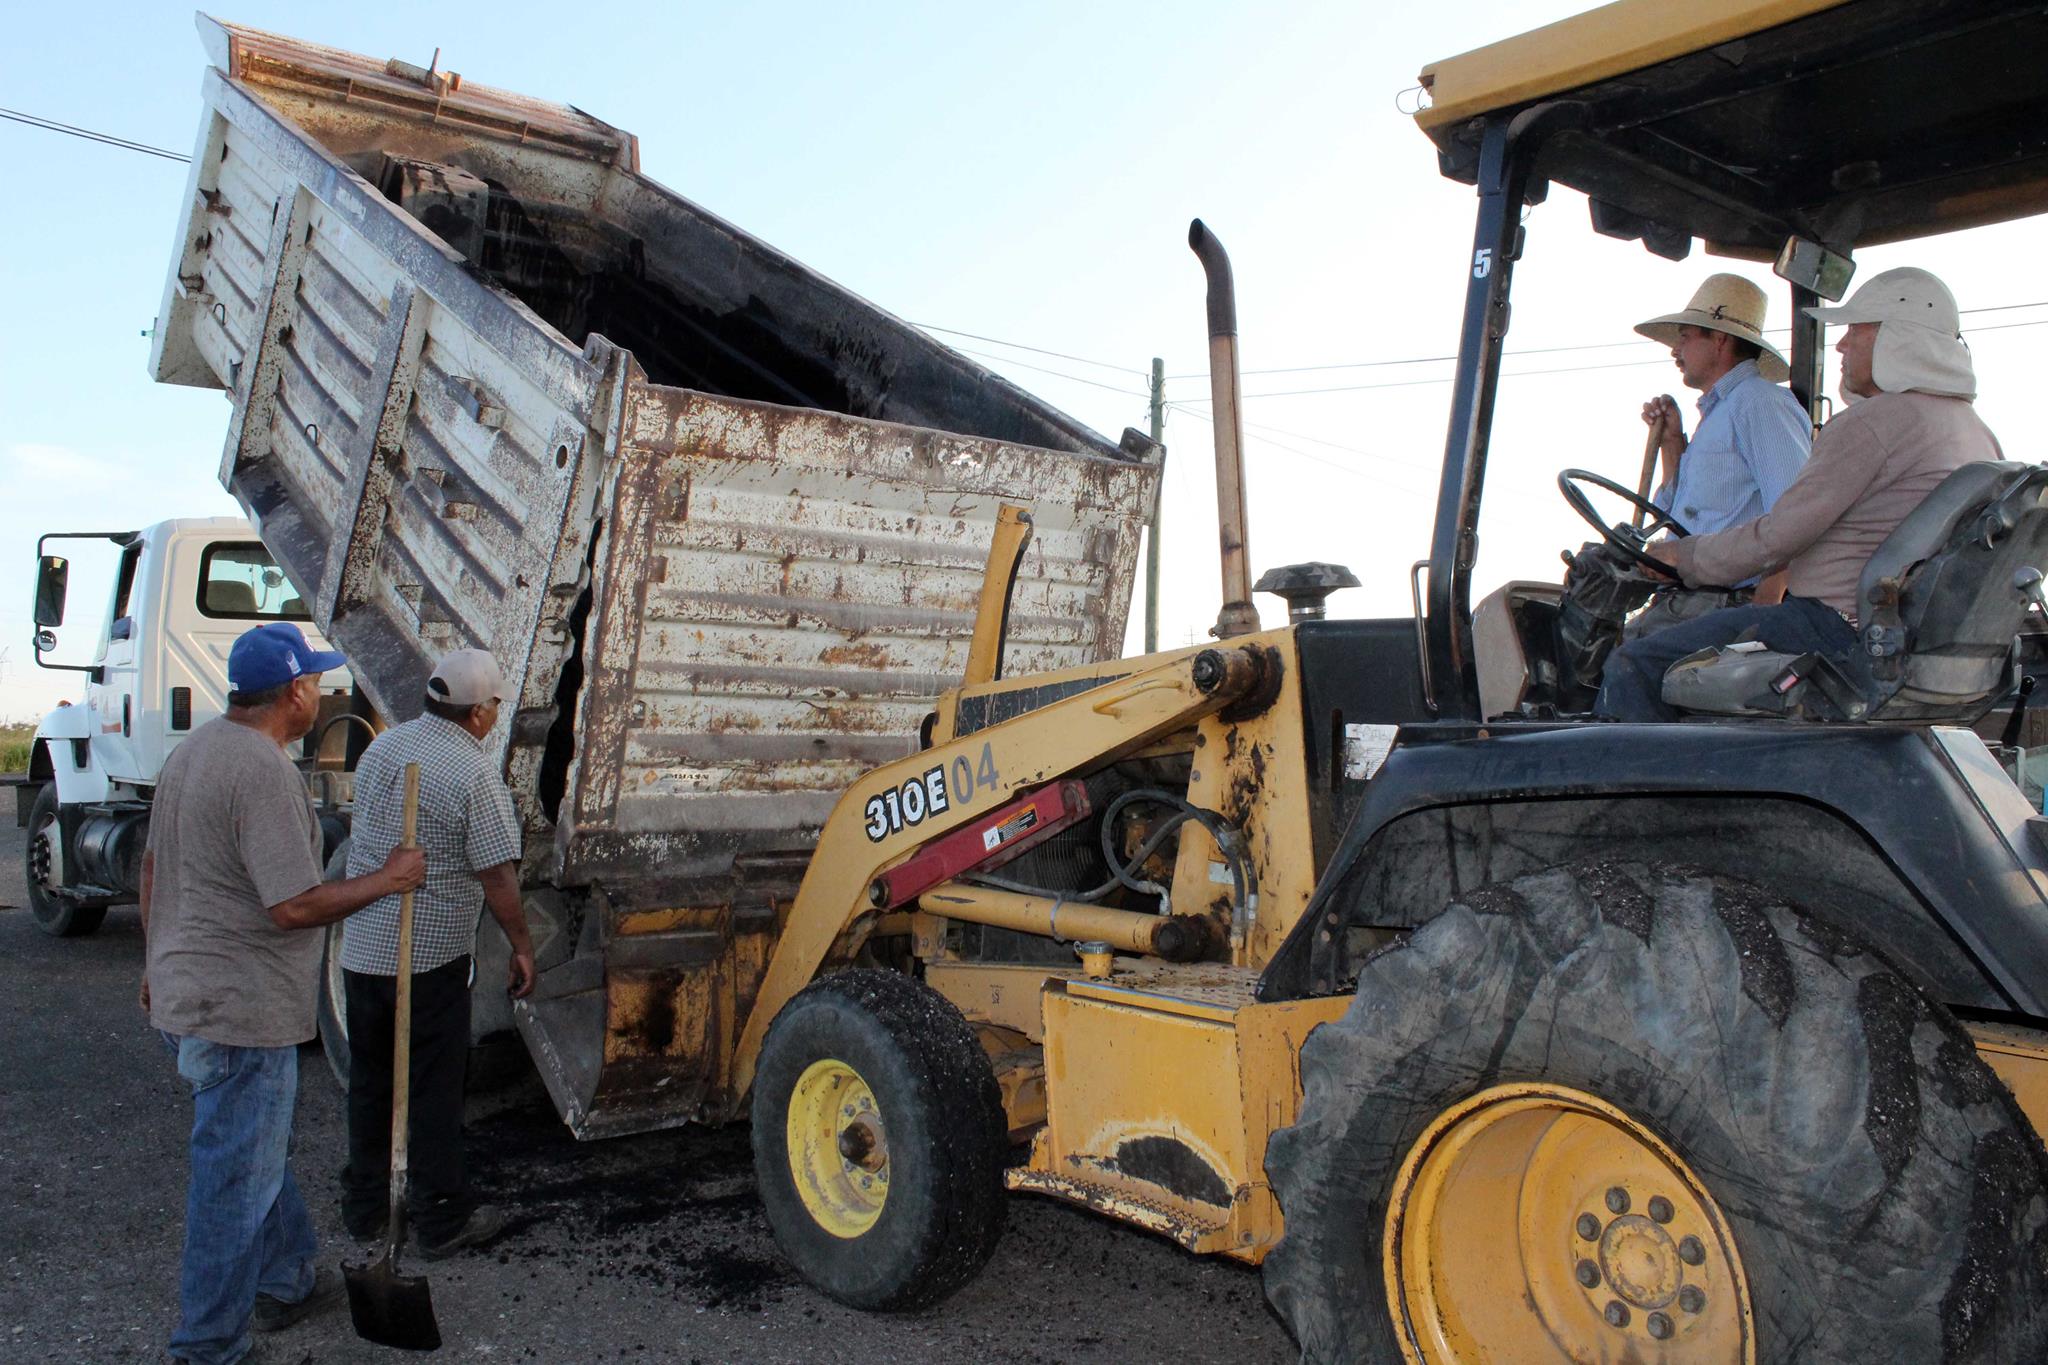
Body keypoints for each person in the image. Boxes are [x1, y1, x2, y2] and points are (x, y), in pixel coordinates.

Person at [141, 622, 426, 1365]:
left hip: (186, 994)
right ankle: (208, 1346)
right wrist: (388, 880)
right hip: (241, 1009)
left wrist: (153, 959)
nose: (324, 693)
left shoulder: (192, 752)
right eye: (319, 682)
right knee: (232, 1181)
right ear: (296, 692)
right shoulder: (262, 771)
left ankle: (290, 1273)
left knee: (251, 1149)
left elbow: (150, 870)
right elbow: (293, 905)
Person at [1597, 267, 2003, 721]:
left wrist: (1682, 558)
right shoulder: (1977, 433)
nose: (1843, 345)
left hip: (1835, 628)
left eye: (1855, 330)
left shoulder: (1873, 421)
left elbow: (1779, 535)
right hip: (1901, 636)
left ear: (1898, 338)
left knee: (1635, 664)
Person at [339, 648, 535, 1259]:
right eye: (496, 707)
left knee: (371, 1082)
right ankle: (442, 1218)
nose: (496, 717)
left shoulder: (381, 749)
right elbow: (497, 876)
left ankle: (365, 1208)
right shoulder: (474, 773)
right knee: (432, 1089)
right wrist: (522, 946)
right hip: (425, 964)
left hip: (363, 953)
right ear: (478, 713)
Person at [1627, 273, 1813, 633]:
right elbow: (1678, 521)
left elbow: (1797, 517)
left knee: (1620, 666)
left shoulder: (1760, 403)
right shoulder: (1717, 415)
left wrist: (1762, 616)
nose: (1675, 351)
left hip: (1721, 604)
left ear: (1720, 340)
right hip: (1684, 600)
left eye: (1685, 337)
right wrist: (1672, 445)